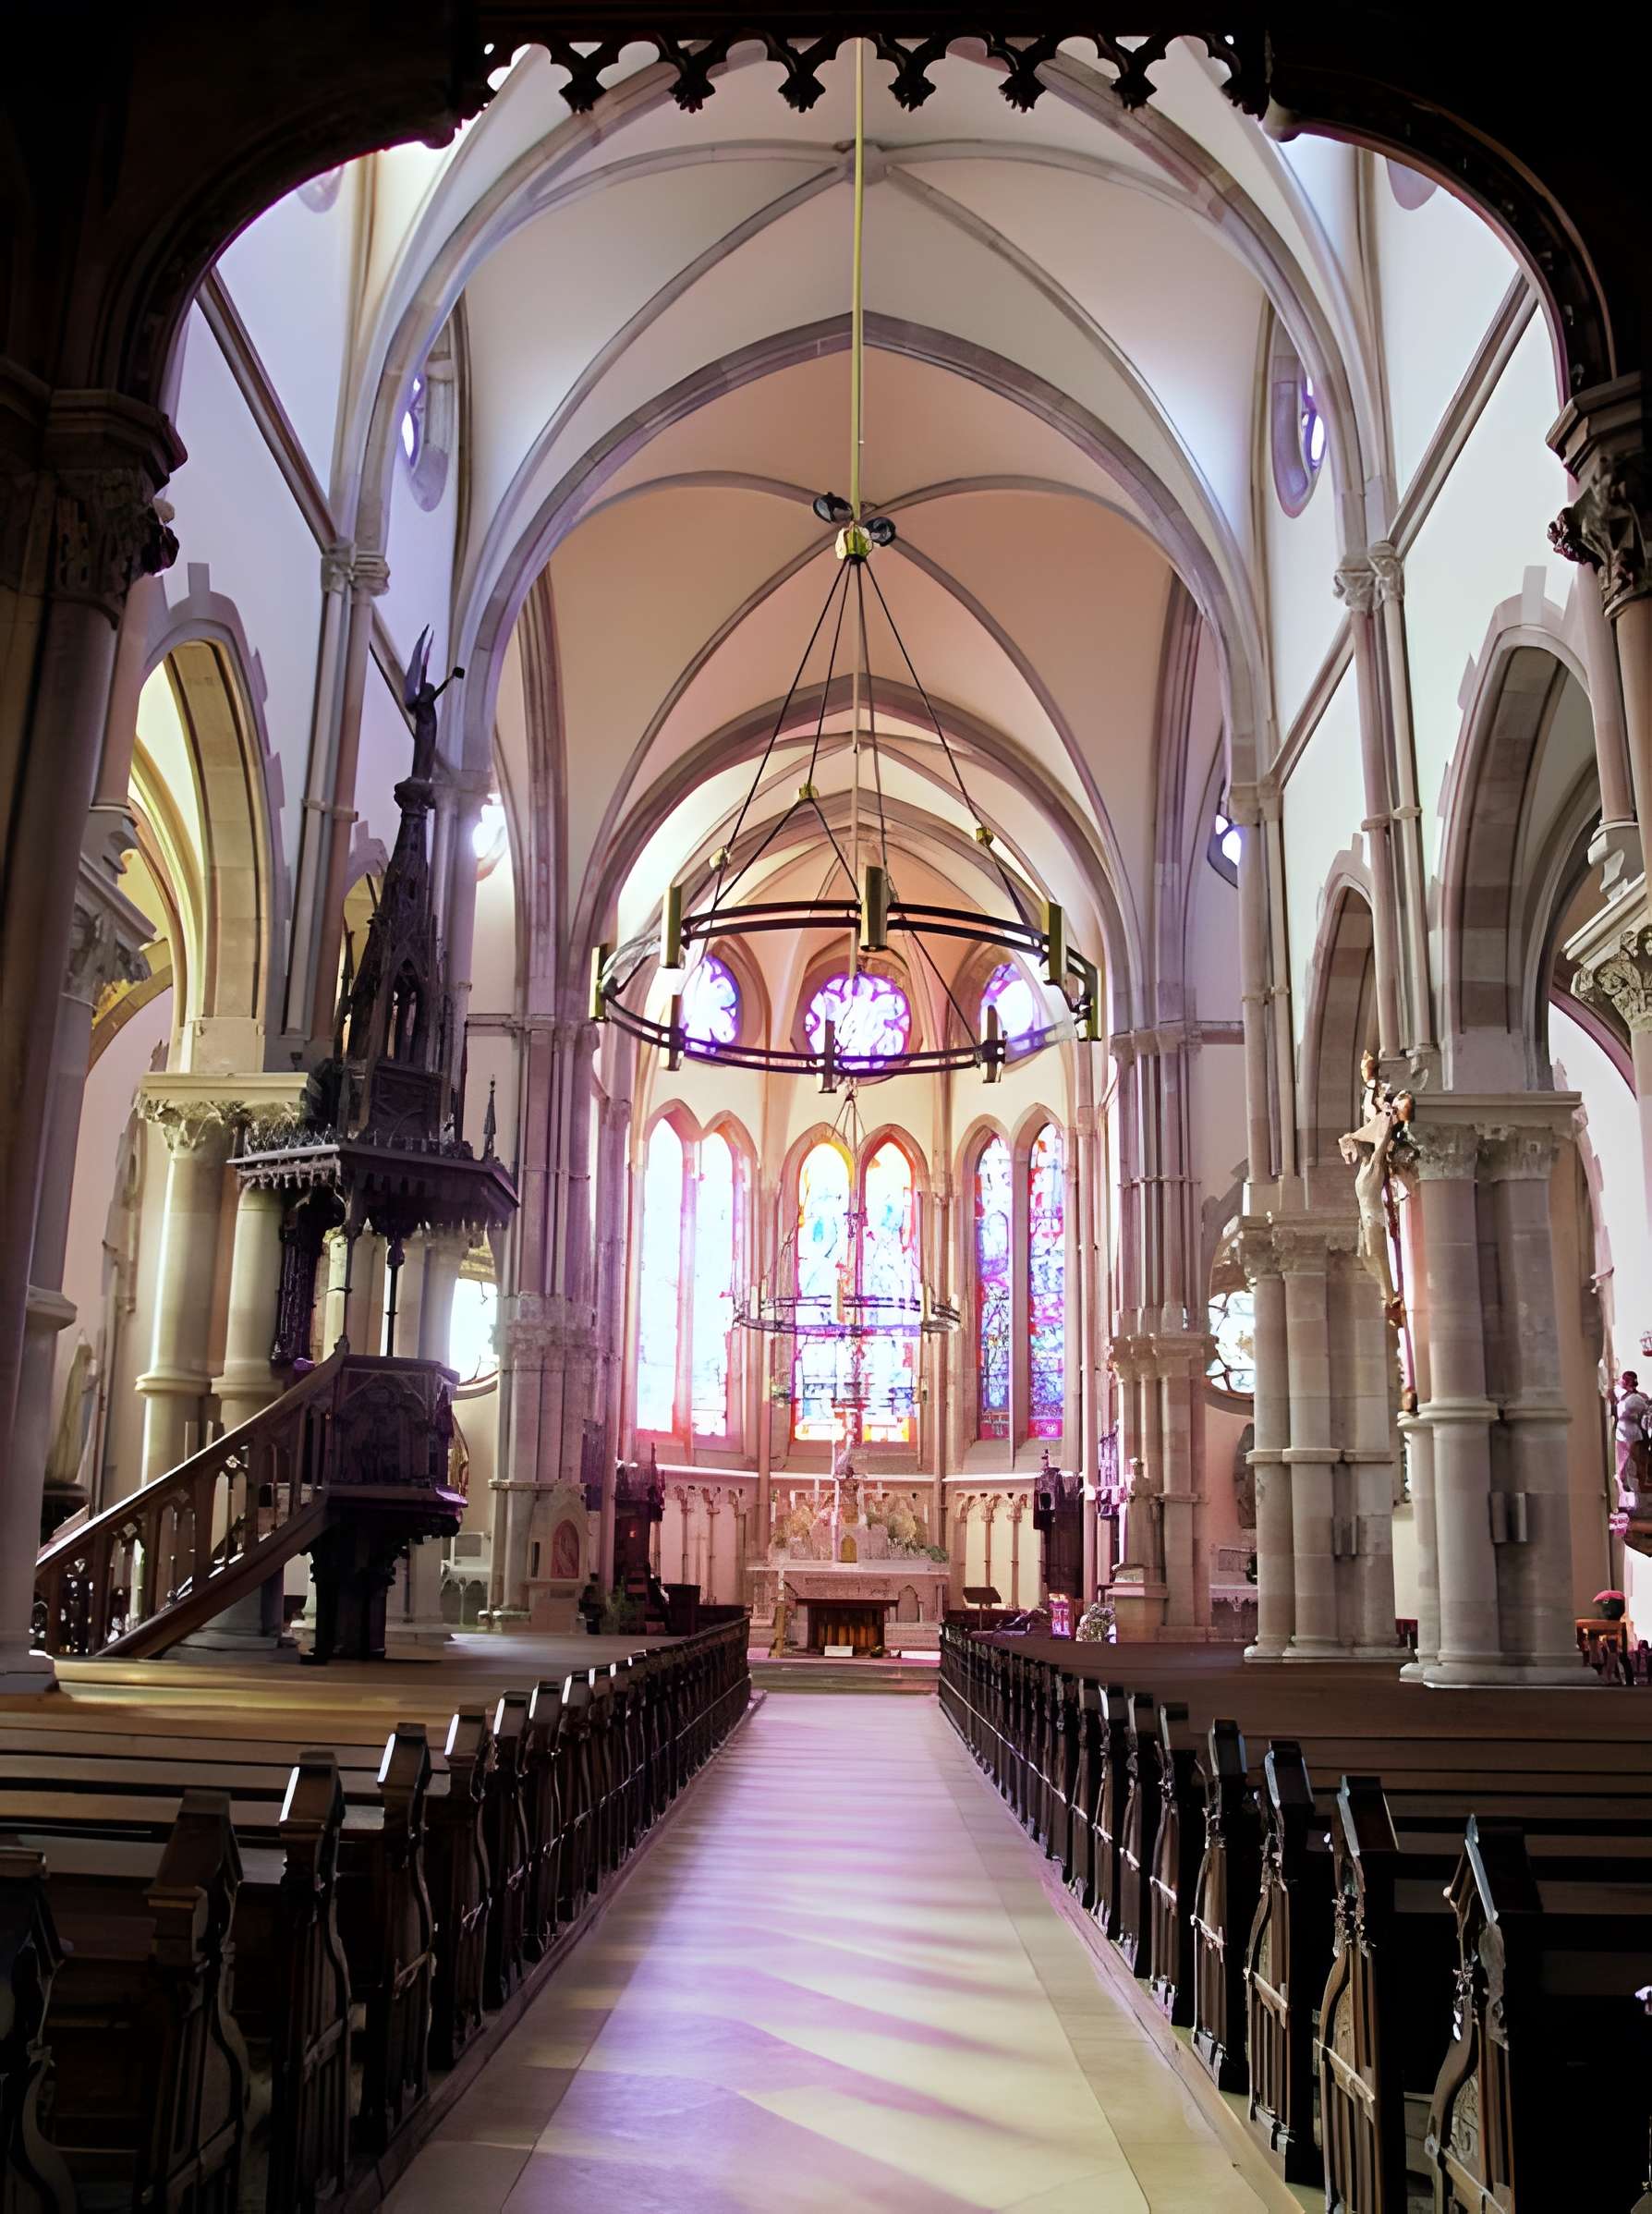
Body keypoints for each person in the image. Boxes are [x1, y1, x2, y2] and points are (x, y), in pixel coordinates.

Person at [1613, 1369, 1650, 1510]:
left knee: (1630, 1467)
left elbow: (1638, 1415)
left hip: (1632, 1435)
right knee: (1624, 1468)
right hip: (1625, 1435)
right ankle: (1627, 1498)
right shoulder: (1624, 1394)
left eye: (1623, 1380)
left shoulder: (1636, 1399)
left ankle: (1630, 1500)